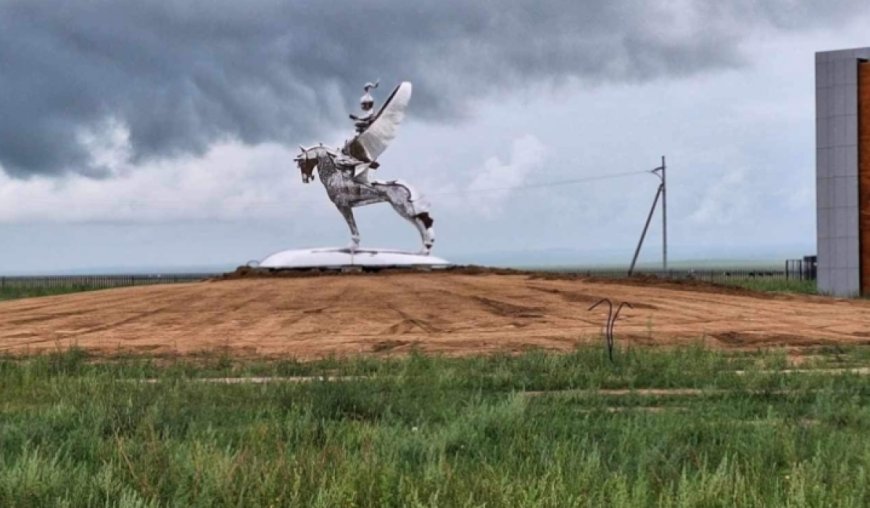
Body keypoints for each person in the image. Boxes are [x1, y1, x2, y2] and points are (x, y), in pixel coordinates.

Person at [341, 81, 380, 183]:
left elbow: (366, 118)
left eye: (364, 104)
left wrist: (356, 118)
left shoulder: (371, 112)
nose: (363, 106)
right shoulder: (368, 112)